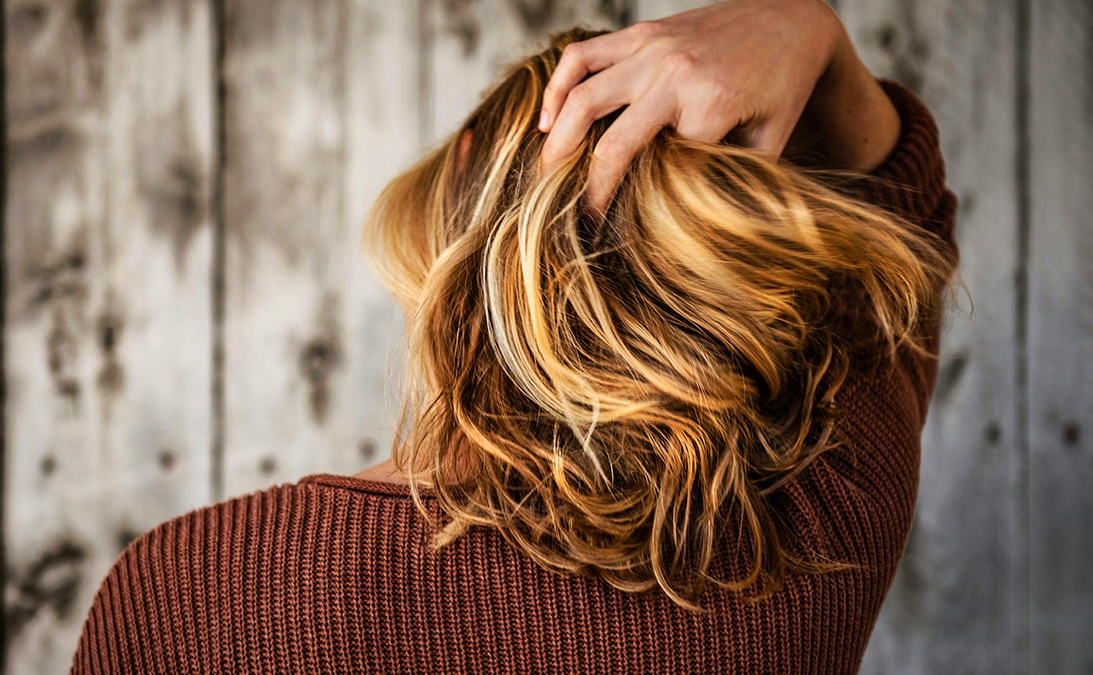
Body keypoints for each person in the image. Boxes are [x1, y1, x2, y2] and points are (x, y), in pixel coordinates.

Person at [68, 0, 958, 672]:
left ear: (461, 189)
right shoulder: (816, 530)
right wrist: (812, 34)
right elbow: (906, 224)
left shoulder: (191, 597)